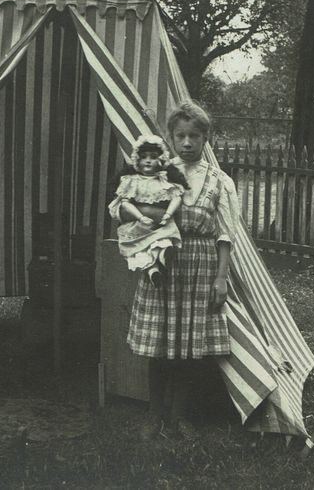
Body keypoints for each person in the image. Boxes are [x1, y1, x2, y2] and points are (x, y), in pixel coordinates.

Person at [113, 101, 240, 440]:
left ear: (205, 139)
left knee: (188, 347)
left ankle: (179, 416)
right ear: (169, 138)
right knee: (159, 345)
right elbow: (125, 208)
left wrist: (221, 276)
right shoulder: (154, 174)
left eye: (194, 136)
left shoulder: (219, 181)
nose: (187, 143)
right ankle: (154, 415)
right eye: (180, 135)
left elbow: (225, 233)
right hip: (163, 262)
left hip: (200, 264)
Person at [108, 135, 188, 287]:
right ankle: (153, 271)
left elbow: (176, 198)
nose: (148, 160)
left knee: (163, 239)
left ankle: (163, 257)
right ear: (137, 160)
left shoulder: (163, 181)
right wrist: (139, 217)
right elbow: (125, 203)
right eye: (144, 157)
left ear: (161, 160)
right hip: (139, 224)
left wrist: (168, 214)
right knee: (140, 249)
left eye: (153, 157)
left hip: (159, 224)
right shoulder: (131, 181)